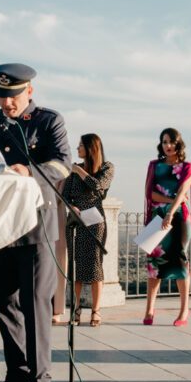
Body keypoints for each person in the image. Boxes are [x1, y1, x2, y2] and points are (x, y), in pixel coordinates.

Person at [0, 63, 71, 382]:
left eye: (13, 96)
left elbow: (61, 164)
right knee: (5, 304)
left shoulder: (48, 121)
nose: (7, 103)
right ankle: (16, 376)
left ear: (29, 91)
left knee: (36, 302)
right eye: (1, 96)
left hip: (33, 224)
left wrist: (28, 170)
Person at [142, 128, 191, 327]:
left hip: (179, 217)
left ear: (178, 143)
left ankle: (184, 310)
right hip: (157, 217)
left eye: (171, 142)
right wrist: (169, 202)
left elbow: (183, 191)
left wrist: (171, 212)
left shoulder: (188, 167)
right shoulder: (154, 166)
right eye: (164, 142)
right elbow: (150, 195)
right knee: (154, 264)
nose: (168, 145)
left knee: (180, 262)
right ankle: (149, 309)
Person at [61, 134, 115, 327]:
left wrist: (79, 171)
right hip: (75, 222)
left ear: (91, 148)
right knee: (75, 267)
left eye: (81, 146)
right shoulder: (74, 169)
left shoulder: (106, 168)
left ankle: (96, 310)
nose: (77, 149)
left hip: (95, 222)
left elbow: (98, 186)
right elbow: (65, 194)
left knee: (94, 266)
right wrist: (72, 207)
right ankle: (75, 310)